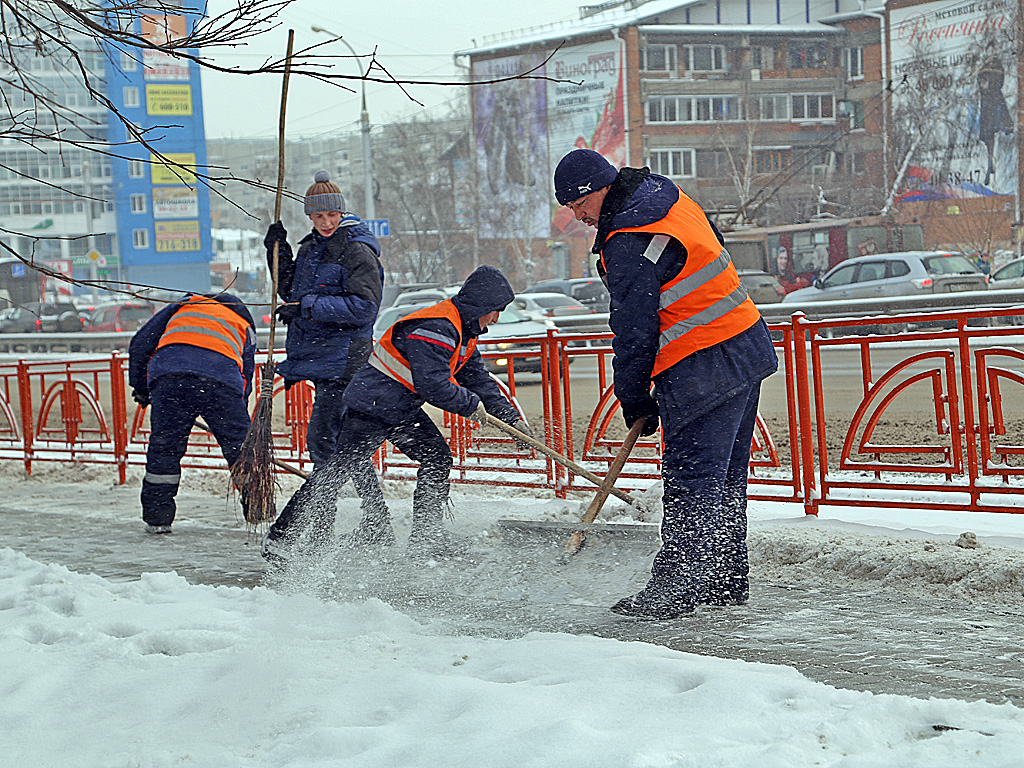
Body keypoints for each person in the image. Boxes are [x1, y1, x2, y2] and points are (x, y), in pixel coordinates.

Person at [553, 148, 778, 619]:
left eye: (579, 207)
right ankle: (723, 581)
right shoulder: (665, 195)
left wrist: (633, 398)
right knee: (723, 480)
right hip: (745, 343)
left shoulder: (627, 240)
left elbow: (634, 330)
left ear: (596, 190)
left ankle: (674, 590)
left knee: (693, 481)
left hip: (702, 365)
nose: (580, 219)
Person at [262, 265, 532, 563]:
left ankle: (426, 538)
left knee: (436, 456)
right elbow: (433, 384)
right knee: (333, 473)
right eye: (496, 310)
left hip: (400, 407)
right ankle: (280, 538)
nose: (496, 318)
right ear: (481, 305)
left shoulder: (463, 330)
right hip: (373, 406)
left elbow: (476, 377)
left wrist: (509, 419)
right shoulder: (437, 326)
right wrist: (470, 405)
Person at [263, 170, 391, 545]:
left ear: (341, 212)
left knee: (324, 444)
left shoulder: (356, 249)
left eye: (331, 216)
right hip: (324, 360)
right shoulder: (310, 248)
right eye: (318, 217)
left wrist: (309, 307)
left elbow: (364, 308)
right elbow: (291, 291)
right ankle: (375, 519)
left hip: (346, 362)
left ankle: (320, 529)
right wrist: (279, 254)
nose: (326, 223)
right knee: (347, 446)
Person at [128, 292, 257, 533]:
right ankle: (258, 509)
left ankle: (158, 519)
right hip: (221, 380)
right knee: (240, 449)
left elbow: (141, 343)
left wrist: (142, 388)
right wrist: (236, 415)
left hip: (170, 376)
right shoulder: (244, 324)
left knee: (165, 448)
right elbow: (246, 375)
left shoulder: (183, 305)